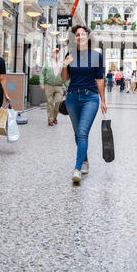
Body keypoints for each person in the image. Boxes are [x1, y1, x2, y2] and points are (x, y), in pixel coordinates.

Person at [61, 25, 107, 183]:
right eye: (77, 35)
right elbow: (64, 79)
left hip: (90, 98)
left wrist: (103, 100)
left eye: (83, 34)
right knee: (77, 134)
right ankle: (85, 160)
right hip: (72, 98)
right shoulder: (70, 55)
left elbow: (100, 79)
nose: (80, 37)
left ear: (88, 37)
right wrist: (64, 64)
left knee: (82, 132)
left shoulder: (96, 56)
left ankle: (77, 168)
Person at [40, 48, 64, 126]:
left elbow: (65, 75)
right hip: (48, 85)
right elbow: (42, 73)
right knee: (50, 103)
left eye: (58, 53)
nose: (56, 54)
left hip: (59, 86)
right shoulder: (47, 63)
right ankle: (50, 119)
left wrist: (67, 85)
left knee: (58, 101)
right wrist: (42, 84)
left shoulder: (62, 63)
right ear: (52, 54)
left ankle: (55, 117)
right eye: (54, 53)